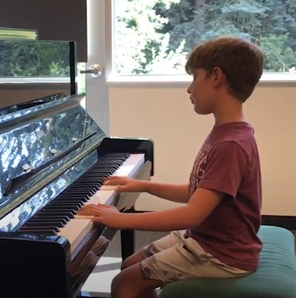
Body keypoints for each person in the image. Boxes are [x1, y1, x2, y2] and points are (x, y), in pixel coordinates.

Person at [78, 36, 264, 298]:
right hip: (207, 240)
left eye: (194, 78)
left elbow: (192, 214)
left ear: (216, 77)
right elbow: (195, 191)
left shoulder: (230, 144)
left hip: (221, 254)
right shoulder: (226, 133)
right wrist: (143, 185)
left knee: (123, 284)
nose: (190, 89)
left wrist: (121, 220)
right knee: (129, 266)